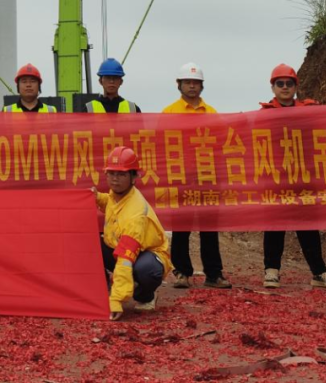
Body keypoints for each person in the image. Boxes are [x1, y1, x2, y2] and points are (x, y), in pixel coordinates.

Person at [259, 64, 326, 289]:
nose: (285, 88)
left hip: (304, 178)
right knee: (275, 226)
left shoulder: (310, 110)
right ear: (273, 87)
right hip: (277, 179)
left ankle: (319, 272)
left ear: (296, 86)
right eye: (280, 84)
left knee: (308, 226)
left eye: (289, 83)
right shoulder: (264, 114)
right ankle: (271, 271)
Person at [162, 63, 230, 290]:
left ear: (202, 86)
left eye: (196, 83)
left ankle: (214, 273)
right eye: (188, 82)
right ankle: (181, 272)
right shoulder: (169, 113)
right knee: (181, 227)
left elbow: (221, 143)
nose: (192, 86)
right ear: (178, 85)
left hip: (207, 176)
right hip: (181, 177)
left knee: (209, 228)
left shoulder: (211, 113)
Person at [95, 146, 169, 316]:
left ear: (134, 177)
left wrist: (116, 301)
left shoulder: (136, 214)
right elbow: (110, 203)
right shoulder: (116, 195)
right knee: (89, 244)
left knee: (147, 270)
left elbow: (125, 259)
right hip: (119, 248)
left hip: (147, 254)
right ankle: (103, 290)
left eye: (121, 174)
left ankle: (145, 296)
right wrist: (97, 197)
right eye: (111, 173)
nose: (115, 179)